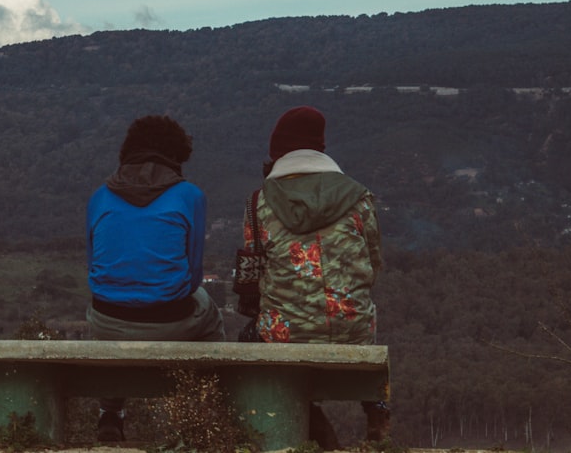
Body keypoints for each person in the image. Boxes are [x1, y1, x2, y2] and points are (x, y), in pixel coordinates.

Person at [241, 105, 390, 445]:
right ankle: (376, 406)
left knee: (247, 344)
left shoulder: (258, 203)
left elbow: (250, 280)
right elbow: (374, 263)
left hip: (286, 333)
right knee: (364, 316)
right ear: (320, 148)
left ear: (277, 152)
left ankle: (319, 435)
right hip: (352, 326)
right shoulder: (359, 197)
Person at [86, 114, 225, 442]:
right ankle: (201, 410)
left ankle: (110, 412)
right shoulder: (190, 195)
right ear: (175, 157)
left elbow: (93, 265)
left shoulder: (99, 197)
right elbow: (192, 275)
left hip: (106, 319)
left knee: (104, 312)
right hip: (171, 320)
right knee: (211, 313)